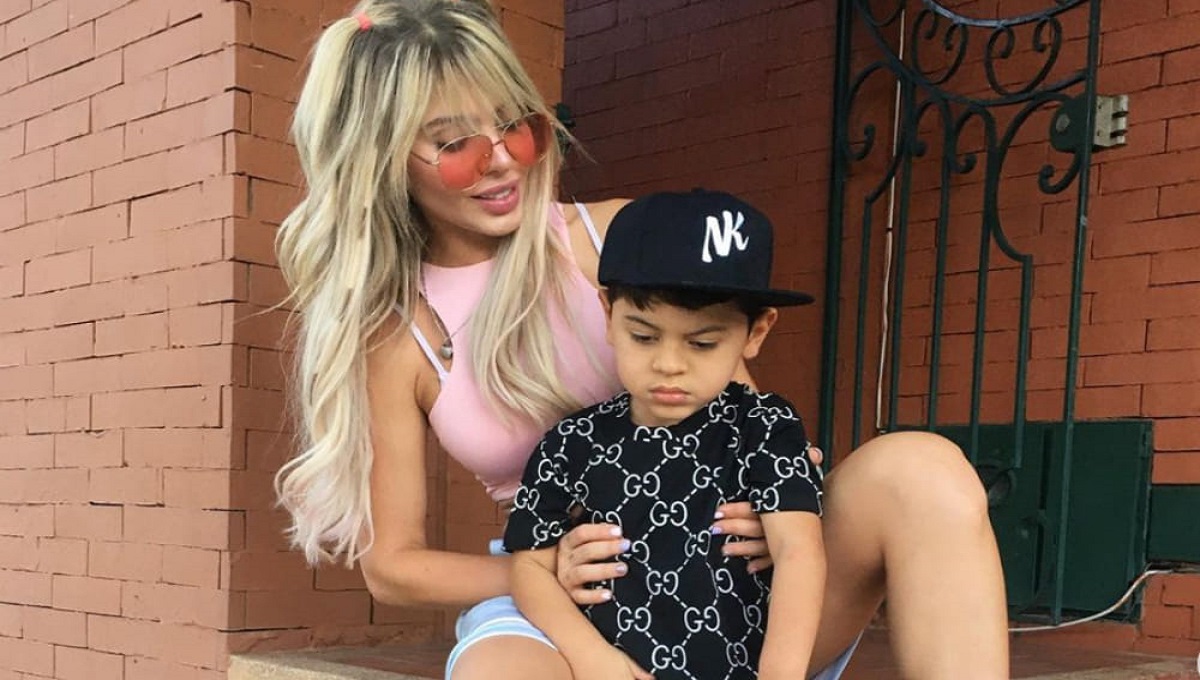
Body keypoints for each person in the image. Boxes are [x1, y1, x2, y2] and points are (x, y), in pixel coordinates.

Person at [272, 1, 1010, 679]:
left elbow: (734, 411)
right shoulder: (397, 335)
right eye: (456, 143)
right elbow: (393, 567)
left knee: (923, 472)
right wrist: (544, 567)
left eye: (516, 126)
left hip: (726, 576)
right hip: (567, 594)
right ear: (381, 158)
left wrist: (780, 507)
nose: (502, 160)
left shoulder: (613, 239)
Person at [504, 189, 827, 680]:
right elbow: (529, 567)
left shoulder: (766, 426)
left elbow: (798, 550)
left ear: (756, 332)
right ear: (608, 315)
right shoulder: (570, 442)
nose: (669, 364)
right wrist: (593, 660)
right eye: (644, 336)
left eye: (702, 342)